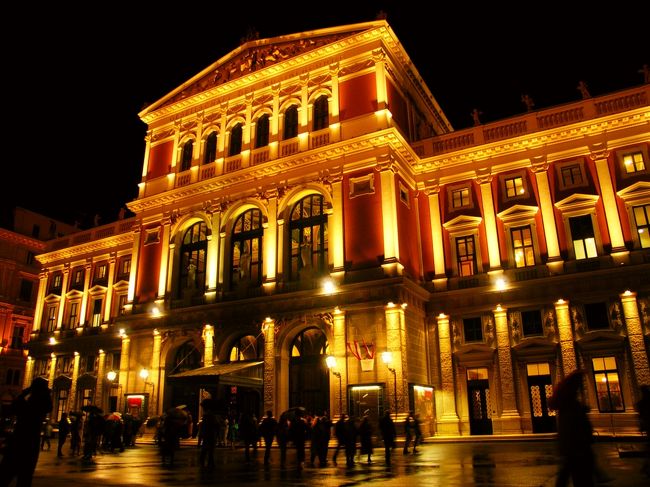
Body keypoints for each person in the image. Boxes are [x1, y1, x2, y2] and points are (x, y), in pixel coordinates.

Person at [0, 376, 52, 487]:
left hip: (17, 441)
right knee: (25, 477)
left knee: (6, 474)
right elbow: (49, 406)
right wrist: (47, 393)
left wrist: (25, 392)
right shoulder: (40, 406)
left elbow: (13, 407)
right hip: (31, 443)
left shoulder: (25, 404)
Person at [549, 369, 596, 487]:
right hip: (578, 451)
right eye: (579, 383)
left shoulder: (568, 405)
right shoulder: (572, 406)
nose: (581, 387)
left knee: (568, 476)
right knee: (581, 480)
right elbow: (573, 430)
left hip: (574, 451)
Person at [635, 385, 650, 477]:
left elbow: (640, 415)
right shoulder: (643, 403)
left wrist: (641, 425)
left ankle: (646, 466)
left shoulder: (642, 403)